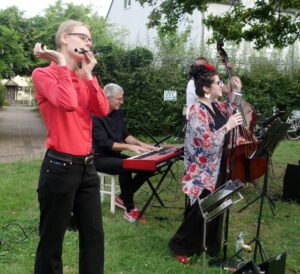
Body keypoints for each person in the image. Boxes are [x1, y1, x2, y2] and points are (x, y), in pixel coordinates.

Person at [32, 20, 109, 274]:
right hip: (59, 167)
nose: (89, 43)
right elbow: (66, 102)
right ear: (64, 38)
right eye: (84, 37)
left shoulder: (82, 77)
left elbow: (103, 109)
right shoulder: (43, 74)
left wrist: (89, 75)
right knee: (52, 241)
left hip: (87, 168)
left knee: (94, 238)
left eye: (90, 40)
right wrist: (63, 66)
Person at [168, 64, 243, 264]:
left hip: (218, 165)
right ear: (206, 89)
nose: (222, 86)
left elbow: (231, 108)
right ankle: (179, 245)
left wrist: (236, 90)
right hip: (201, 171)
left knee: (218, 205)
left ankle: (209, 246)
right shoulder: (196, 111)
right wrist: (228, 126)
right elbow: (208, 144)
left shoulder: (215, 105)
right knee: (199, 212)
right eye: (218, 83)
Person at [92, 83, 158, 223]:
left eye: (122, 98)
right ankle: (130, 209)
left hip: (114, 155)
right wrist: (129, 147)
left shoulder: (118, 112)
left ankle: (122, 198)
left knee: (148, 166)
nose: (121, 102)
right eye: (119, 99)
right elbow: (106, 144)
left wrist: (143, 145)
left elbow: (125, 135)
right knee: (125, 166)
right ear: (107, 98)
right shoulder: (96, 115)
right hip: (99, 158)